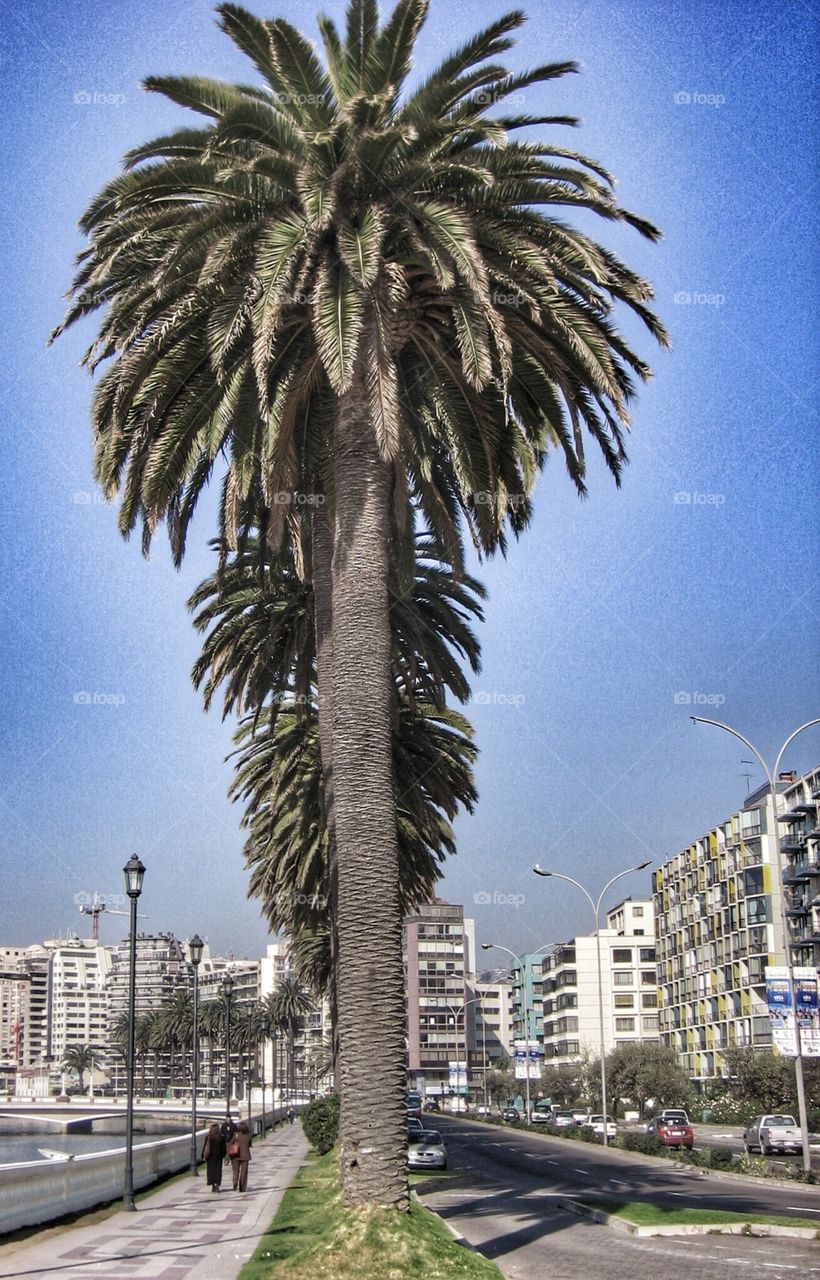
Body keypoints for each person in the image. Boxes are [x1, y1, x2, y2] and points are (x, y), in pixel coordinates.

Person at [201, 1121, 226, 1192]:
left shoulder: (208, 1137)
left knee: (211, 1171)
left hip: (210, 1157)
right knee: (218, 1171)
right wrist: (224, 1155)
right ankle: (217, 1185)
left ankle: (213, 1185)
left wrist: (203, 1155)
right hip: (218, 1156)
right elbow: (224, 1148)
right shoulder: (221, 1137)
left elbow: (205, 1147)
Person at [229, 1119, 252, 1192]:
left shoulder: (236, 1134)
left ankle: (235, 1183)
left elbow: (230, 1143)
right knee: (244, 1172)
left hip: (236, 1155)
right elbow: (249, 1144)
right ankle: (242, 1187)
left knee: (235, 1170)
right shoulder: (248, 1135)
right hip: (245, 1155)